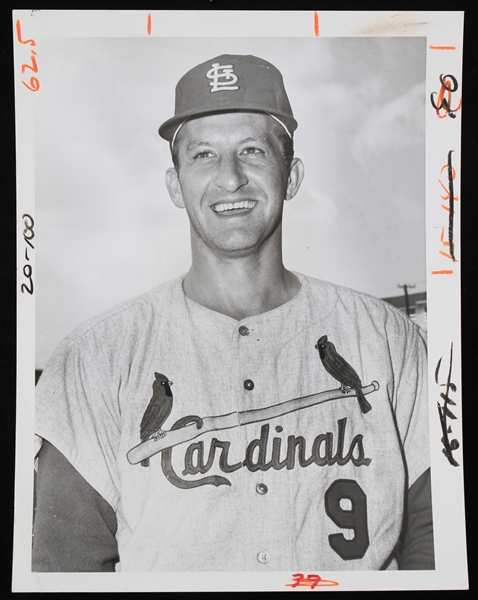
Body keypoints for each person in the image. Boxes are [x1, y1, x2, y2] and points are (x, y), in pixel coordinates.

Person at [33, 54, 434, 572]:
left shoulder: (388, 338)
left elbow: (437, 533)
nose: (230, 178)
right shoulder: (94, 358)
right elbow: (64, 566)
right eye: (203, 155)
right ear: (175, 186)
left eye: (252, 150)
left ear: (291, 176)